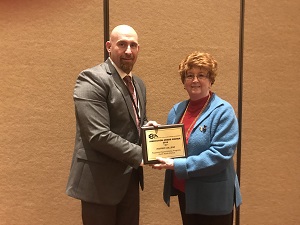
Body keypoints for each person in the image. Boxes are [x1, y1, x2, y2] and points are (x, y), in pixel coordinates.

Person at [66, 24, 158, 225]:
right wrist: (143, 156)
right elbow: (98, 135)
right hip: (99, 184)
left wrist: (147, 131)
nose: (128, 51)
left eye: (133, 45)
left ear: (138, 49)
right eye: (122, 44)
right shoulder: (91, 79)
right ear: (109, 46)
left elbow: (133, 124)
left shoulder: (138, 84)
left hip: (130, 180)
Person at [151, 51, 242, 225]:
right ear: (183, 82)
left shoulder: (223, 111)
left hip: (213, 197)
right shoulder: (177, 110)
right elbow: (175, 143)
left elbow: (220, 155)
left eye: (201, 75)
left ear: (211, 80)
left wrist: (176, 165)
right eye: (189, 75)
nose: (194, 80)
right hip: (186, 193)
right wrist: (154, 133)